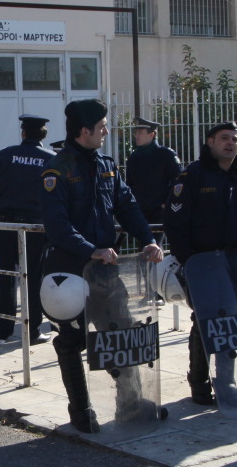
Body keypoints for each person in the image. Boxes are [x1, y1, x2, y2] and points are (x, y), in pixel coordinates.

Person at [40, 99, 163, 433]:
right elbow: (56, 224)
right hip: (70, 271)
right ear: (85, 131)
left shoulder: (107, 164)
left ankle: (131, 403)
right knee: (72, 341)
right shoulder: (58, 169)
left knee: (121, 333)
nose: (107, 131)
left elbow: (128, 206)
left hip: (106, 270)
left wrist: (147, 239)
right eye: (103, 126)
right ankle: (81, 410)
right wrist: (90, 249)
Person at [163, 121, 237, 406]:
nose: (230, 143)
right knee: (205, 321)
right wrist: (188, 259)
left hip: (235, 263)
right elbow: (175, 220)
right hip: (203, 262)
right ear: (210, 142)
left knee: (228, 321)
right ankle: (200, 382)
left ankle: (225, 382)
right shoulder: (193, 176)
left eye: (235, 139)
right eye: (224, 138)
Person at [0, 114, 55, 344]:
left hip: (6, 224)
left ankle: (3, 332)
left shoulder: (5, 155)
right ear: (42, 134)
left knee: (7, 277)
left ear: (23, 132)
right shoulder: (51, 159)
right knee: (33, 279)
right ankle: (32, 331)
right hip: (36, 227)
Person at [125, 117, 182, 231]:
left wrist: (166, 202)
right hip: (140, 210)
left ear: (152, 134)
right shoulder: (134, 157)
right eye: (135, 132)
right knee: (144, 245)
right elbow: (129, 184)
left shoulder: (166, 155)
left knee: (154, 245)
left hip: (159, 211)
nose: (136, 135)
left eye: (140, 132)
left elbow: (178, 181)